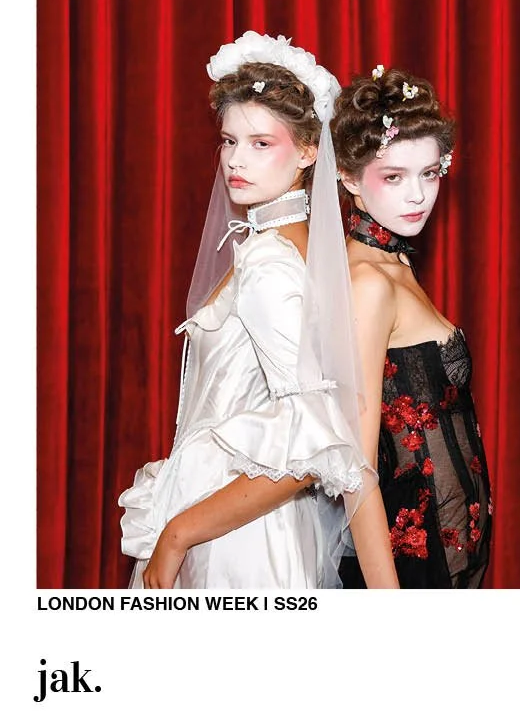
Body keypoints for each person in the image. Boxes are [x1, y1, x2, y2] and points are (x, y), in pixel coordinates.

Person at [118, 32, 374, 589]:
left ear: (309, 151)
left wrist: (178, 533)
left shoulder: (268, 263)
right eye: (229, 140)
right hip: (245, 520)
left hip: (235, 540)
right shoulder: (292, 246)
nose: (235, 159)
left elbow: (315, 441)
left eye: (261, 143)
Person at [331, 64, 492, 588]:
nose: (419, 195)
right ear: (350, 177)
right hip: (403, 574)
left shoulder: (394, 263)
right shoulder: (368, 283)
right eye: (394, 177)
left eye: (429, 173)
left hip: (443, 564)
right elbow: (353, 468)